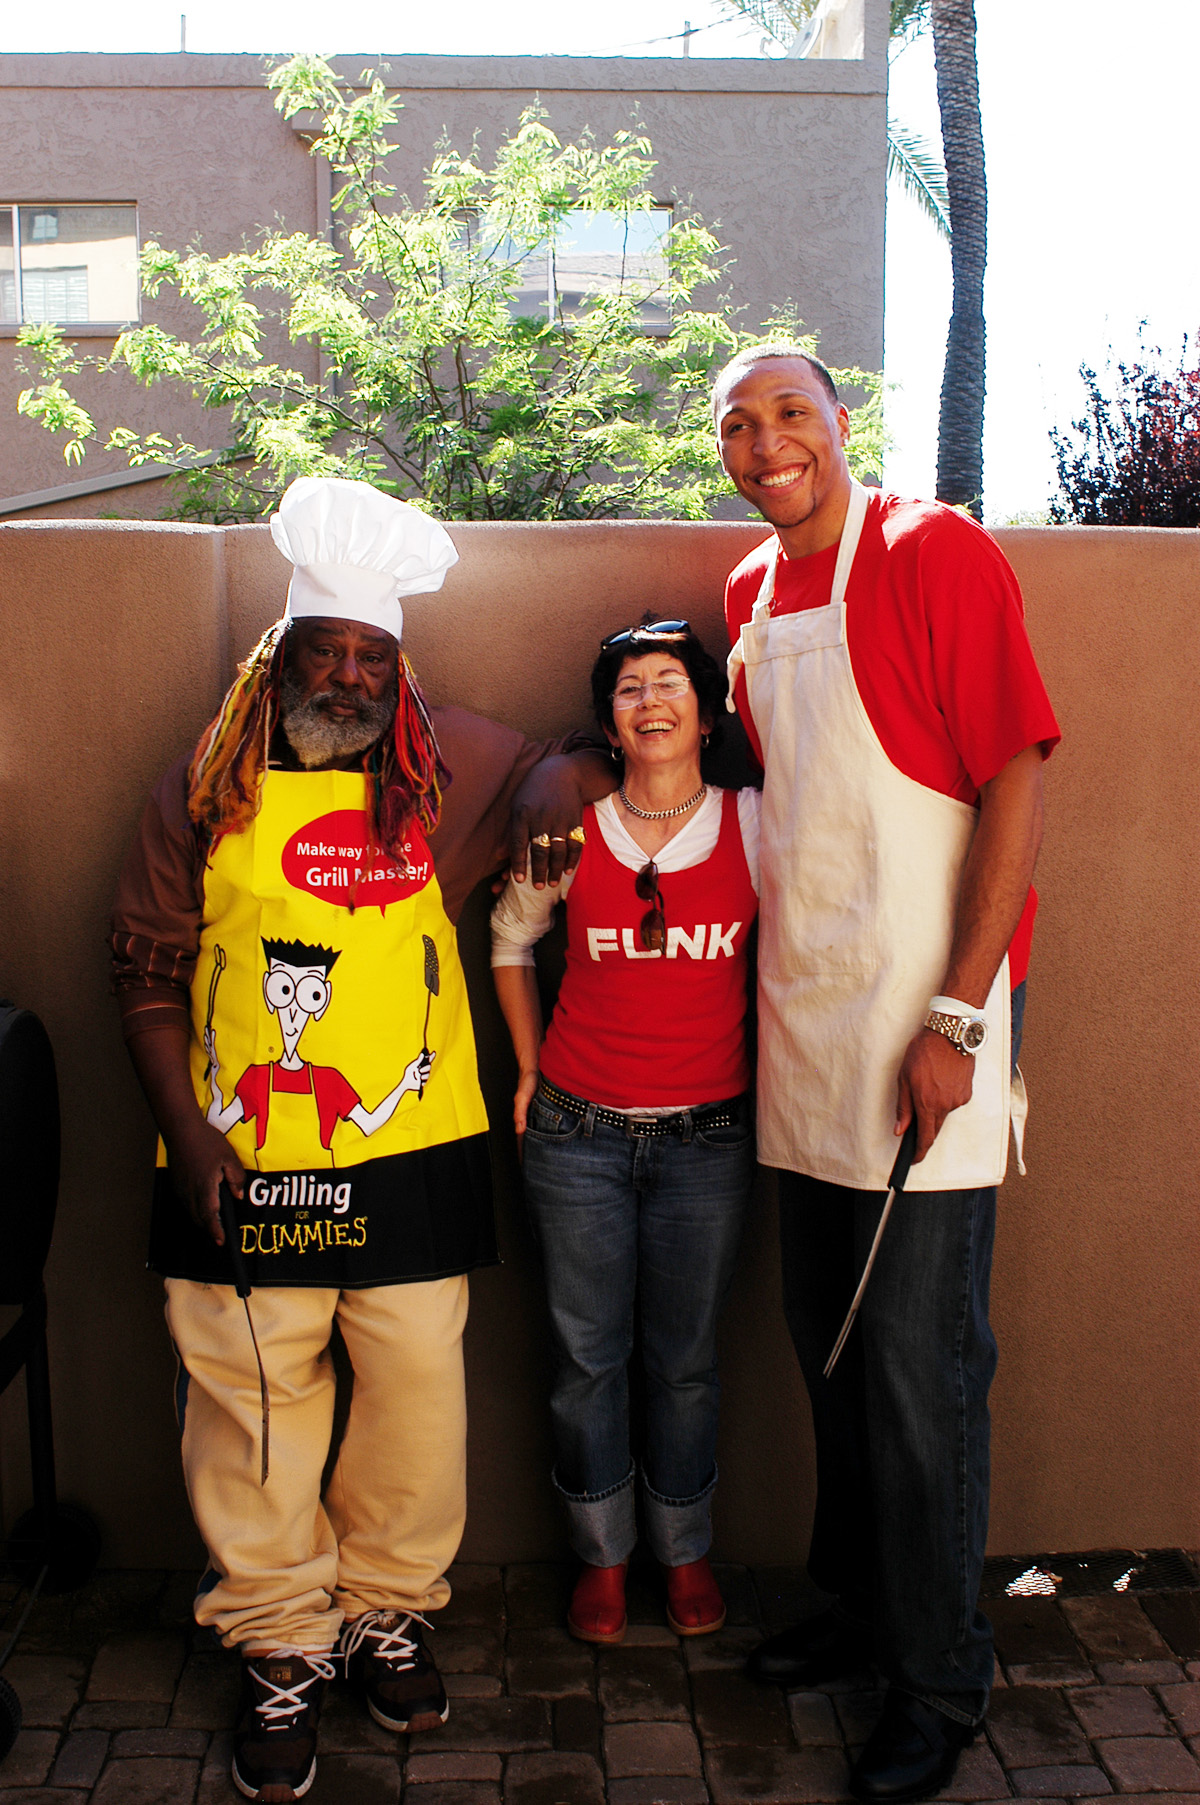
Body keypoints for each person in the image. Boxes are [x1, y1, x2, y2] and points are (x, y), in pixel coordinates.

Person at [110, 475, 606, 1805]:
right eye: (321, 651)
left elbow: (573, 750)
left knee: (413, 1399)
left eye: (370, 656)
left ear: (400, 672)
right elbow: (146, 968)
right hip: (240, 1160)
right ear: (274, 666)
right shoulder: (200, 795)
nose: (346, 675)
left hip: (412, 1154)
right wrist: (187, 1133)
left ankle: (389, 1607)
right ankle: (281, 1637)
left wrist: (561, 773)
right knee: (258, 1405)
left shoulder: (447, 781)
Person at [714, 345, 1060, 1803]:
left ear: (842, 425)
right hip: (802, 1030)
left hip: (931, 1033)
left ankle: (941, 1674)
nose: (766, 438)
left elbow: (1016, 783)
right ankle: (861, 1614)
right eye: (737, 421)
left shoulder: (933, 553)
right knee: (834, 1358)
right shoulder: (744, 600)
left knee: (923, 1376)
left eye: (791, 410)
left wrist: (958, 1021)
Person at [491, 620, 760, 1646]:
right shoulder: (572, 826)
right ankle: (602, 1556)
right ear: (609, 717)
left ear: (706, 704)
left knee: (684, 1359)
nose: (652, 701)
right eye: (629, 688)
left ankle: (683, 1547)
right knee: (584, 1357)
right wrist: (524, 1070)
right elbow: (512, 936)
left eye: (672, 682)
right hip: (577, 1133)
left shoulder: (753, 823)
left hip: (708, 1139)